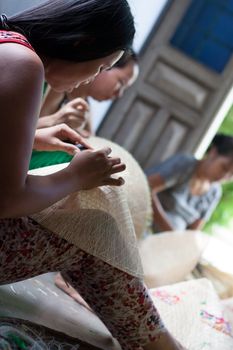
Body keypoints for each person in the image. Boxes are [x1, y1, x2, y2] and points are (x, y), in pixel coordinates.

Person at [0, 1, 185, 350]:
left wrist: (34, 136)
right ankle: (154, 342)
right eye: (102, 66)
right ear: (83, 43)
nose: (92, 77)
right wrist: (75, 177)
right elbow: (6, 199)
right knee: (93, 229)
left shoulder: (7, 44)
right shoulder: (25, 64)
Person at [146, 134, 233, 233]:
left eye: (231, 175)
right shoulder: (185, 164)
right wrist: (170, 231)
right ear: (213, 152)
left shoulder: (215, 192)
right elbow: (146, 187)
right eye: (224, 168)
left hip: (168, 241)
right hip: (145, 224)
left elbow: (194, 231)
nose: (224, 177)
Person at [37, 51, 139, 134]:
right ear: (107, 66)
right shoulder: (57, 85)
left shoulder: (84, 108)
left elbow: (90, 139)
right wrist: (55, 121)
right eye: (121, 82)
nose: (119, 94)